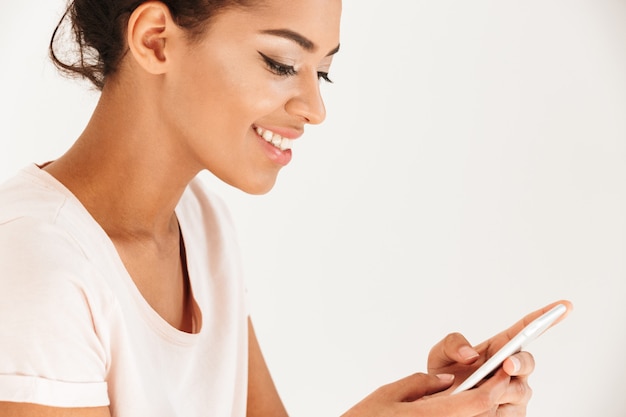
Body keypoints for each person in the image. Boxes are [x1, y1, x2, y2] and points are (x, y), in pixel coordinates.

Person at [0, 0, 572, 416]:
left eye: (322, 71)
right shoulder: (37, 268)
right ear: (156, 40)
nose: (315, 107)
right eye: (280, 63)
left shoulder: (202, 225)